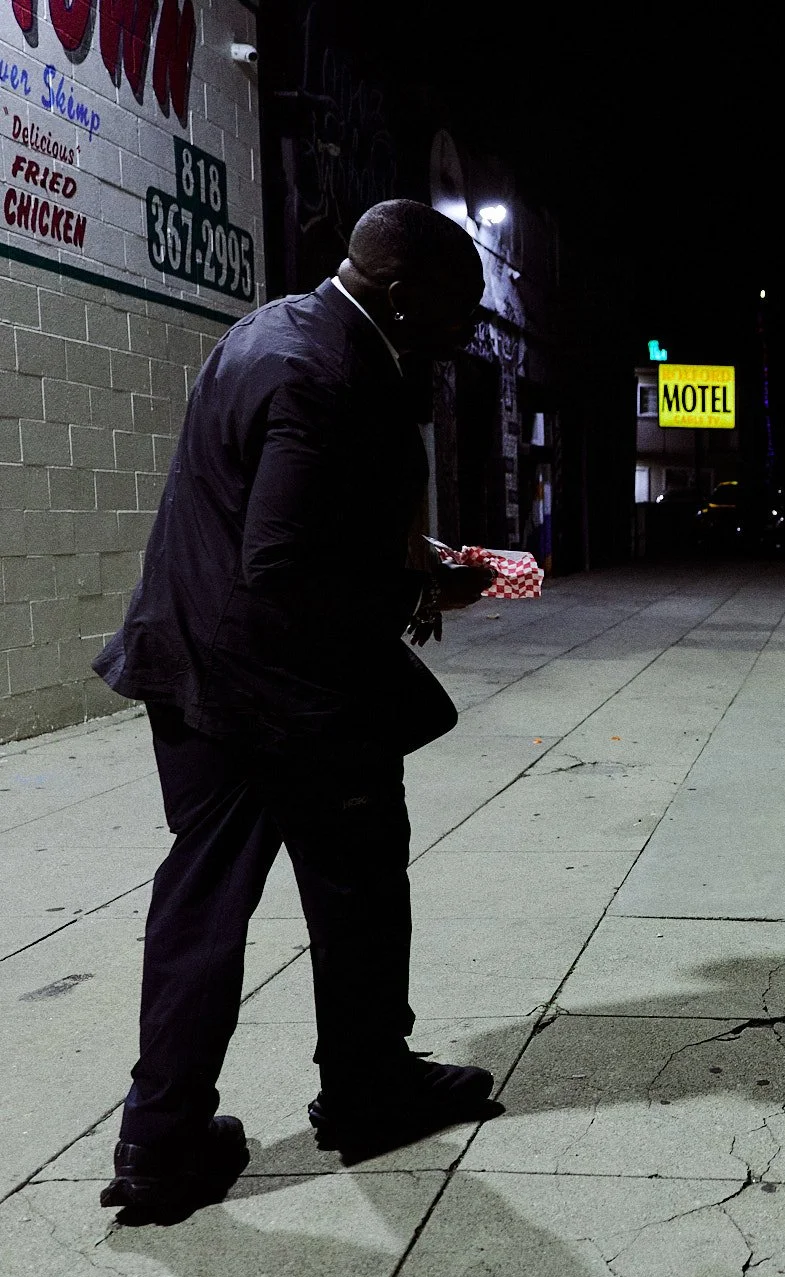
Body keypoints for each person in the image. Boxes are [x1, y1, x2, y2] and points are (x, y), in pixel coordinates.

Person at [92, 200, 501, 1217]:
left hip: (192, 663)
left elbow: (289, 521)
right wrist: (420, 589)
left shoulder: (271, 328)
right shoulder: (324, 371)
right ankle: (367, 1090)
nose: (466, 331)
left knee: (202, 901)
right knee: (357, 881)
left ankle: (161, 1140)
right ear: (401, 293)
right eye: (458, 310)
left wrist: (406, 555)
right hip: (277, 689)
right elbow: (280, 561)